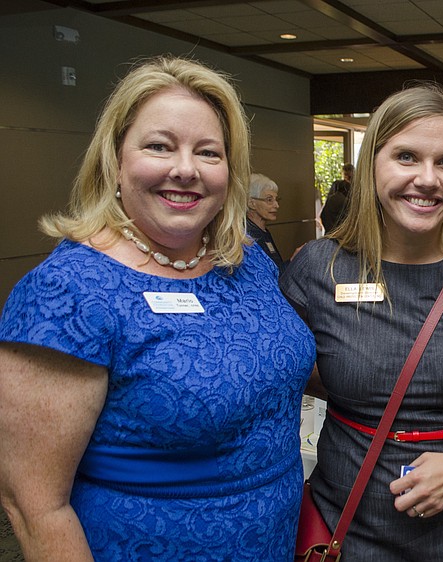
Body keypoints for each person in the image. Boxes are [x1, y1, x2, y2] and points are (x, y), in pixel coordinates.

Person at [0, 56, 316, 561]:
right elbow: (34, 508)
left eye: (208, 152)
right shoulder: (65, 294)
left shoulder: (245, 260)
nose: (185, 169)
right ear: (115, 159)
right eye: (159, 146)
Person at [282, 84, 443, 561]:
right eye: (405, 157)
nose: (428, 179)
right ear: (372, 164)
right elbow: (282, 376)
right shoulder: (319, 269)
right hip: (349, 524)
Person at [247, 172, 288, 283]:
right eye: (269, 200)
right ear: (251, 203)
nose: (276, 205)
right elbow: (265, 277)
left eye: (276, 200)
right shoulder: (246, 237)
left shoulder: (262, 231)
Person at [320, 163, 354, 234]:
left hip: (332, 231)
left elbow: (325, 214)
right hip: (344, 233)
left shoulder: (336, 187)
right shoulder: (356, 189)